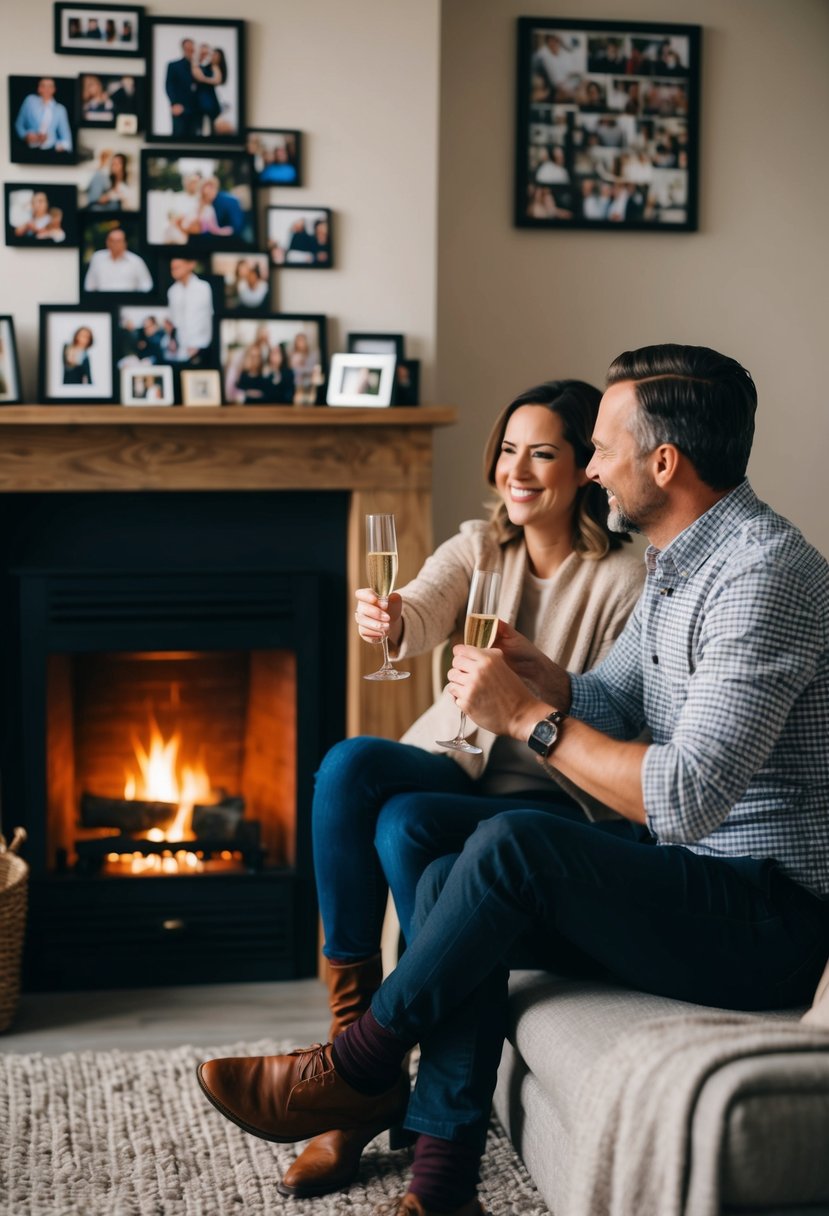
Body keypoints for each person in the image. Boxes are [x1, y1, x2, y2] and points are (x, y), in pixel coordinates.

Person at [198, 344, 829, 1216]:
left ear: (663, 463)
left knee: (510, 844)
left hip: (767, 915)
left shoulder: (762, 578)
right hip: (696, 878)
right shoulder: (677, 562)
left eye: (600, 447)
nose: (592, 465)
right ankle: (443, 1174)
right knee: (430, 847)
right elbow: (613, 697)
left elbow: (682, 797)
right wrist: (543, 672)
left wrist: (528, 718)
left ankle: (357, 1066)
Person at [200, 380, 643, 1201]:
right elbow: (420, 606)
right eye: (508, 449)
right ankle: (354, 1054)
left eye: (542, 452)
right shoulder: (480, 544)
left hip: (547, 796)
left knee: (407, 828)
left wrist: (535, 699)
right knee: (348, 768)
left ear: (585, 466)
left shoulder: (623, 577)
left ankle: (368, 1089)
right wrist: (390, 619)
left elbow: (619, 713)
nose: (518, 468)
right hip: (456, 765)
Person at [166, 258, 214, 363]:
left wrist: (197, 345)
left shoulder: (203, 287)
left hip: (202, 347)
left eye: (177, 267)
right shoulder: (172, 291)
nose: (174, 271)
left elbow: (208, 317)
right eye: (172, 268)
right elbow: (173, 321)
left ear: (191, 265)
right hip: (181, 348)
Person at [83, 227, 153, 294]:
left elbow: (146, 286)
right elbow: (89, 285)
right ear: (107, 242)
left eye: (118, 241)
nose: (115, 244)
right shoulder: (97, 258)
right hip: (102, 303)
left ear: (125, 243)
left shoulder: (136, 261)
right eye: (112, 240)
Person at [14, 77, 73, 155]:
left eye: (49, 86)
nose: (46, 89)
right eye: (43, 86)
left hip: (50, 151)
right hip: (29, 150)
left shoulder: (60, 109)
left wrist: (55, 144)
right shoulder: (30, 101)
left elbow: (66, 138)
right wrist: (26, 135)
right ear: (39, 88)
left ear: (54, 89)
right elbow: (19, 124)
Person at [165, 39, 198, 139]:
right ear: (183, 49)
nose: (190, 50)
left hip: (196, 109)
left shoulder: (199, 67)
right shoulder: (174, 66)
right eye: (187, 48)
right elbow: (169, 85)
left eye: (191, 48)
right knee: (178, 136)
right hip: (180, 108)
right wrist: (174, 103)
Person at [191, 45, 227, 136]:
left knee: (211, 127)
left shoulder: (215, 68)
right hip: (199, 100)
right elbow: (197, 76)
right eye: (213, 55)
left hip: (210, 100)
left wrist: (204, 79)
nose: (214, 57)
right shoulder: (201, 66)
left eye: (217, 56)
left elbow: (217, 80)